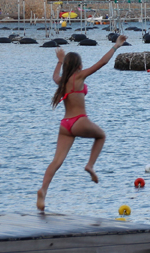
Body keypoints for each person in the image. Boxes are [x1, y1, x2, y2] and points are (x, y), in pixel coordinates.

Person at [36, 35, 127, 211]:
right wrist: (116, 46)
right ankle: (90, 165)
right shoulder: (78, 77)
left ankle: (43, 190)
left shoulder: (62, 81)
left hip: (65, 125)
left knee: (57, 161)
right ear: (78, 65)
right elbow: (101, 62)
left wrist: (59, 61)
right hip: (79, 121)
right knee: (101, 136)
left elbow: (54, 76)